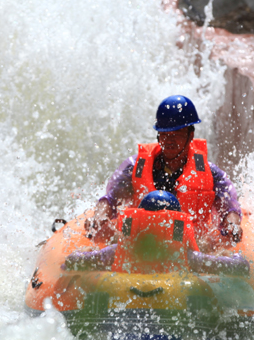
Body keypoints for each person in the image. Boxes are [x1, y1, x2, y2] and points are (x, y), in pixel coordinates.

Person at [86, 95, 243, 249]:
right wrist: (99, 217)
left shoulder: (211, 173)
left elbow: (229, 207)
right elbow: (109, 200)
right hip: (141, 242)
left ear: (191, 135)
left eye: (177, 134)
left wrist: (232, 224)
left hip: (192, 246)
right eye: (164, 134)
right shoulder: (134, 166)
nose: (169, 140)